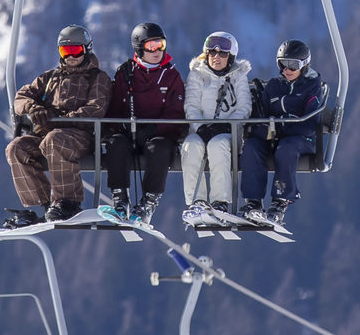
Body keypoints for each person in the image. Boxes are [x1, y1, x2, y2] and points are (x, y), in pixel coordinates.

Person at [1, 25, 108, 226]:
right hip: (46, 135)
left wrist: (60, 119)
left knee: (55, 139)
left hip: (80, 135)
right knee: (16, 148)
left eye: (76, 51)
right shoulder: (50, 78)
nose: (71, 57)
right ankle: (47, 204)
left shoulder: (97, 78)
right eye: (65, 51)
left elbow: (96, 108)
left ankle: (69, 202)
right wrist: (32, 107)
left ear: (87, 49)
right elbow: (21, 98)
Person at [98, 22, 187, 223]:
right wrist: (119, 128)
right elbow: (115, 109)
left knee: (160, 148)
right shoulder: (127, 74)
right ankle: (120, 199)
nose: (157, 51)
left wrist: (153, 129)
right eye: (151, 47)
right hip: (130, 132)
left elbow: (175, 114)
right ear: (139, 48)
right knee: (116, 144)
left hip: (159, 134)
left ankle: (148, 202)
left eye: (160, 45)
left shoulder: (171, 76)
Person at [238, 39, 327, 224]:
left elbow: (310, 122)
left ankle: (280, 200)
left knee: (286, 148)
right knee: (252, 146)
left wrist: (283, 128)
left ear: (304, 65)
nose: (287, 70)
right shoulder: (274, 86)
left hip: (301, 139)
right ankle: (253, 202)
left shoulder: (312, 86)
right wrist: (264, 130)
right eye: (283, 64)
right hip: (275, 137)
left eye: (293, 65)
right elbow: (261, 115)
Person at [179, 32, 252, 225]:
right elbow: (191, 106)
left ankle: (220, 202)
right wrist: (201, 127)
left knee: (217, 145)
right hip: (201, 131)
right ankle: (198, 201)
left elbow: (244, 108)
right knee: (190, 145)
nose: (216, 57)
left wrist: (227, 126)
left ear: (231, 57)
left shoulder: (239, 76)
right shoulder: (197, 75)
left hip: (228, 133)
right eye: (212, 52)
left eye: (222, 54)